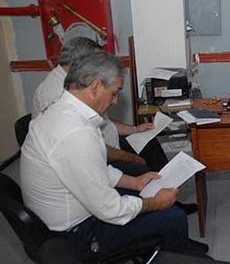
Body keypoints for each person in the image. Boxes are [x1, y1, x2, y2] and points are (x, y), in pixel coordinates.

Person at [21, 52, 208, 261]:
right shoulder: (75, 133)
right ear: (95, 87)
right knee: (173, 217)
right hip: (76, 235)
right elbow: (110, 209)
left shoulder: (60, 113)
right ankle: (175, 253)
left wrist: (135, 182)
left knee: (148, 197)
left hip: (66, 215)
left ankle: (174, 246)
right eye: (114, 92)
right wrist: (154, 203)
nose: (115, 100)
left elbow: (93, 169)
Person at [31, 37, 196, 213]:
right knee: (142, 167)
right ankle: (161, 208)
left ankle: (169, 199)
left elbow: (104, 122)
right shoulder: (58, 94)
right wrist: (130, 156)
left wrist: (134, 129)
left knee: (149, 143)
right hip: (102, 153)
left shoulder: (80, 88)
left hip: (108, 144)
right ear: (83, 64)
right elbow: (92, 148)